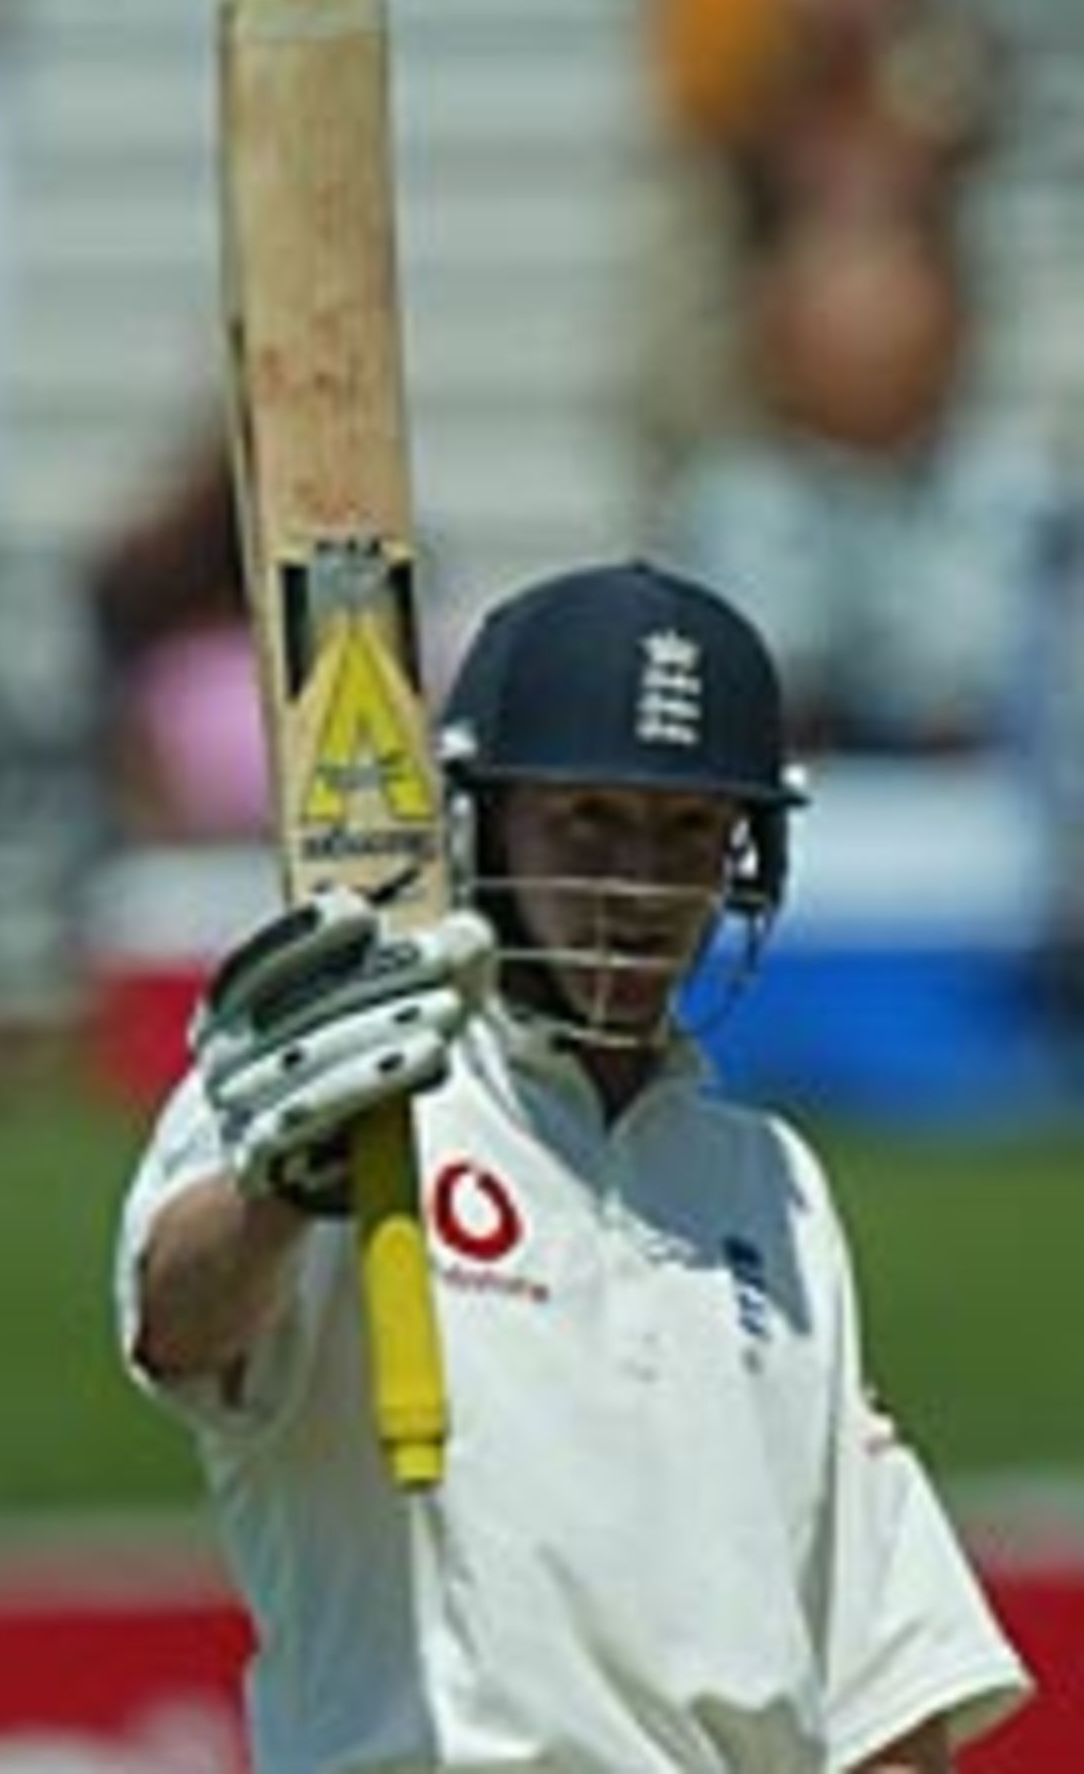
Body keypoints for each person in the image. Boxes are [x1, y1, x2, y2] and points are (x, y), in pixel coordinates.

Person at [115, 560, 1030, 1772]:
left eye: (685, 830)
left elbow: (881, 1677)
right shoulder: (338, 1090)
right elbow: (179, 1330)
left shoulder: (769, 1183)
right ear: (480, 818)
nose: (638, 886)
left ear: (741, 857)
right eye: (590, 819)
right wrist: (283, 1189)